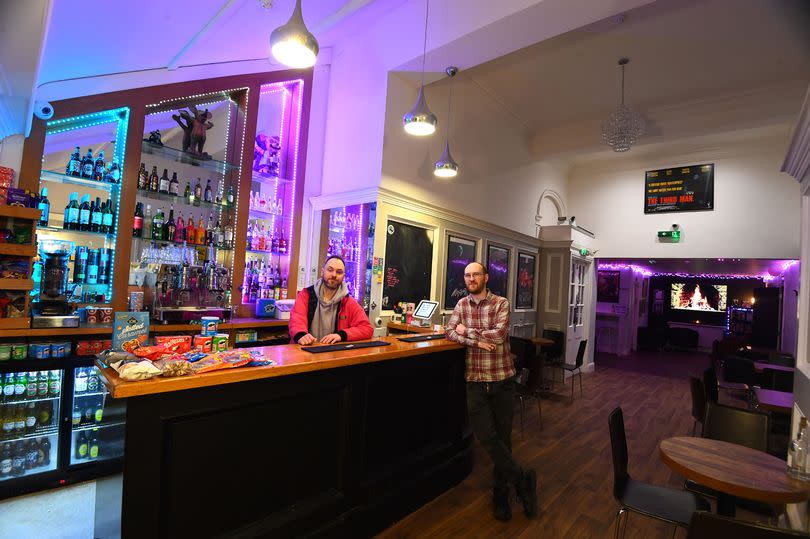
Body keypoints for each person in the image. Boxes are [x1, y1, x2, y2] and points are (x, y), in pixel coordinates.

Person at [445, 262, 538, 521]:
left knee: (503, 438)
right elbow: (450, 331)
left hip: (501, 379)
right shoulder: (462, 305)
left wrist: (468, 331)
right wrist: (472, 339)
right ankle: (523, 479)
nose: (471, 278)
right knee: (486, 435)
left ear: (486, 277)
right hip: (474, 378)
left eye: (475, 274)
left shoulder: (501, 303)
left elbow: (497, 337)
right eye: (467, 275)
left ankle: (500, 494)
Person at [290, 255, 374, 345]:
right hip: (306, 350)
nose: (334, 275)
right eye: (330, 270)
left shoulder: (348, 302)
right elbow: (296, 320)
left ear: (343, 276)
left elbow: (367, 328)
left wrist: (341, 335)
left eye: (339, 272)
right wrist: (301, 335)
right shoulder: (306, 294)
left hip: (333, 353)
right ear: (322, 272)